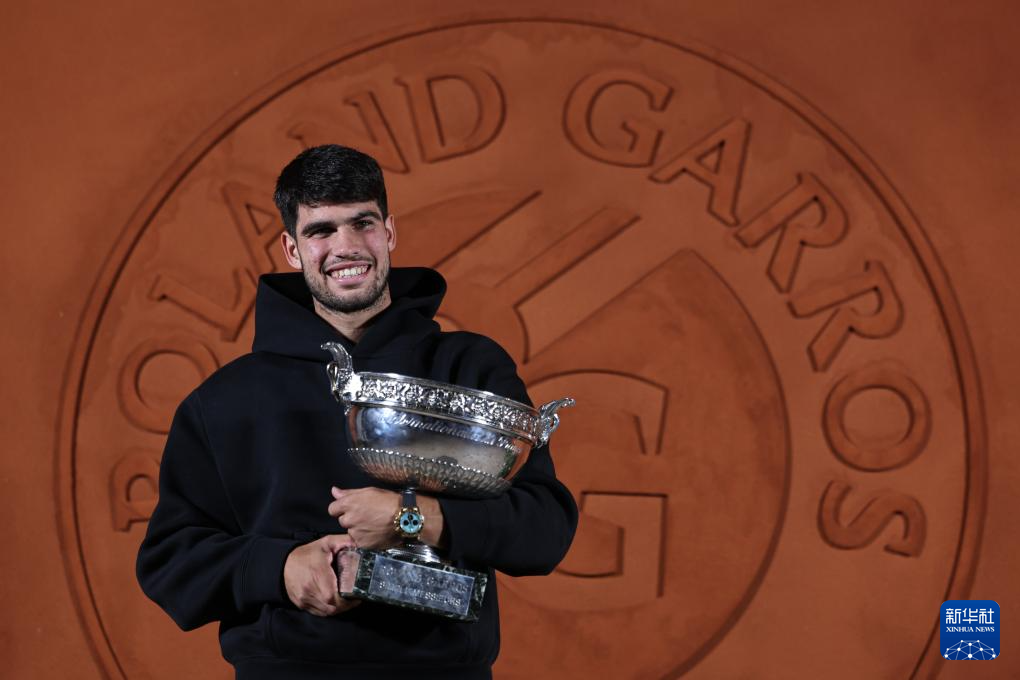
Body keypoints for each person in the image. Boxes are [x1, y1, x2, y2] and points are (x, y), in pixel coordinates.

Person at [136, 144, 578, 680]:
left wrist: (413, 518)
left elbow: (546, 530)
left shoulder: (470, 367)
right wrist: (279, 569)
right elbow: (169, 560)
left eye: (362, 223)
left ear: (388, 232)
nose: (345, 247)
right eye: (321, 230)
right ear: (292, 249)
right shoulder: (225, 399)